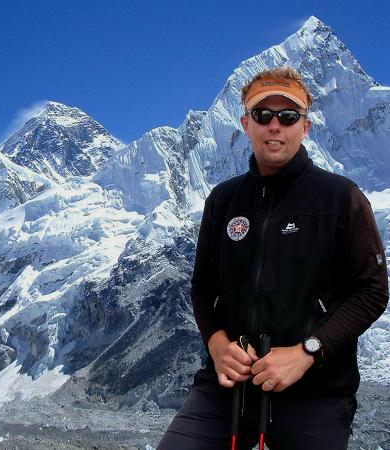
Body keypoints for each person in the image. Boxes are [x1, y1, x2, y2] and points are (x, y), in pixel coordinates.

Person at [157, 67, 388, 450]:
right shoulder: (223, 200)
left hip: (315, 393)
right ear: (246, 125)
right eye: (263, 116)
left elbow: (371, 292)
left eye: (288, 116)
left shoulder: (340, 198)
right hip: (227, 389)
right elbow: (203, 287)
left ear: (306, 127)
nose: (275, 126)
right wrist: (216, 346)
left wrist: (307, 352)